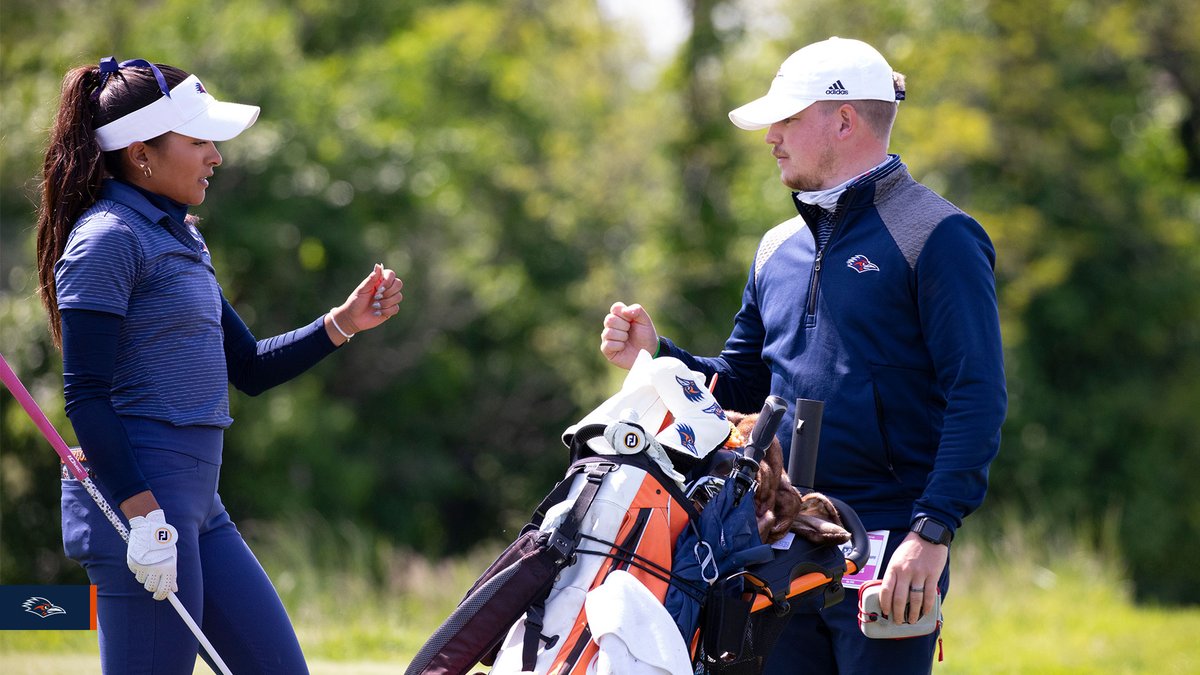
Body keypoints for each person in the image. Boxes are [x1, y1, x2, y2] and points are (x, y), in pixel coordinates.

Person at [599, 37, 1006, 673]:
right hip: (776, 536)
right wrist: (660, 357)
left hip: (890, 545)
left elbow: (977, 396)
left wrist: (932, 532)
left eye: (787, 118)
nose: (770, 136)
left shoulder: (940, 236)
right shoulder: (775, 248)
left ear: (843, 120)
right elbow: (741, 388)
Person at [34, 57, 404, 674]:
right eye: (199, 139)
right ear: (140, 153)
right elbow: (86, 397)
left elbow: (249, 366)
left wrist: (341, 323)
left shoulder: (178, 236)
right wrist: (143, 516)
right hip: (142, 505)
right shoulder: (107, 238)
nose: (216, 156)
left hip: (199, 506)